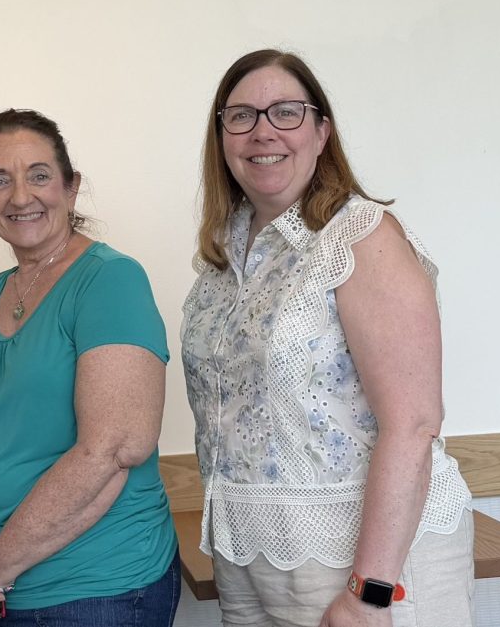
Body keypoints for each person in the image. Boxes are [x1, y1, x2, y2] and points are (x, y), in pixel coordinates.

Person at [181, 49, 474, 627]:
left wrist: (370, 593)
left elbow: (413, 423)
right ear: (222, 138)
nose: (263, 130)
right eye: (241, 116)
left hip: (364, 564)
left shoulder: (361, 236)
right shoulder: (220, 258)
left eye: (286, 112)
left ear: (322, 132)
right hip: (249, 560)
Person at [0, 109, 180, 627]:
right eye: (0, 180)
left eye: (39, 175)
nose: (21, 196)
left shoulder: (111, 281)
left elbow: (111, 450)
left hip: (94, 591)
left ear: (71, 187)